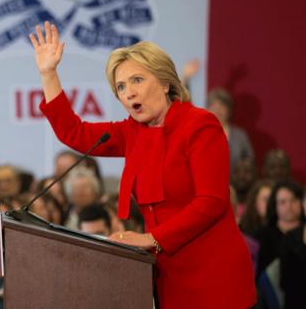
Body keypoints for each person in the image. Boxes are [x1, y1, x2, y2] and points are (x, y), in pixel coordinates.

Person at [29, 22, 255, 308]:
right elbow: (74, 133)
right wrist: (48, 73)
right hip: (168, 277)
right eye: (121, 87)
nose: (128, 93)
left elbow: (211, 201)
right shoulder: (131, 132)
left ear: (165, 82)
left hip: (214, 274)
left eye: (137, 80)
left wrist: (151, 238)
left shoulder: (200, 125)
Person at [206, 88, 255, 169]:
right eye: (214, 106)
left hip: (237, 180)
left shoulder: (240, 135)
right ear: (207, 109)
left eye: (222, 106)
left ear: (229, 110)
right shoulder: (200, 134)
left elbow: (250, 161)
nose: (218, 110)